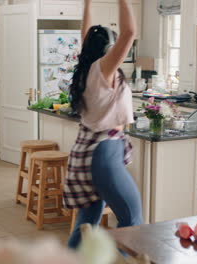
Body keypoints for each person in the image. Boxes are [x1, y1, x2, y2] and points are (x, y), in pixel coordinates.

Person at [64, 0, 142, 249]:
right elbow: (130, 33)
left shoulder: (87, 67)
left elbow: (84, 32)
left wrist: (87, 3)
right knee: (133, 221)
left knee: (86, 225)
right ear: (108, 49)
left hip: (88, 149)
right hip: (104, 151)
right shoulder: (103, 68)